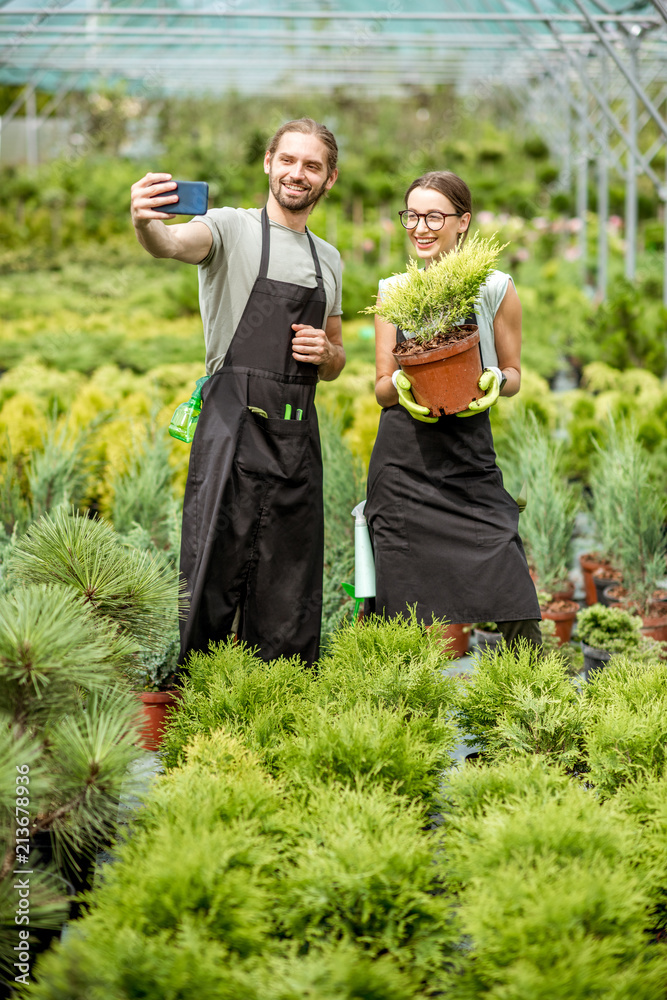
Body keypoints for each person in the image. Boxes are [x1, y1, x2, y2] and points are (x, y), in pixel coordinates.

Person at [130, 117, 345, 667]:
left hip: (296, 439)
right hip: (232, 430)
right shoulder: (229, 227)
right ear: (269, 162)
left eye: (312, 166)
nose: (299, 173)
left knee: (289, 587)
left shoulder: (330, 260)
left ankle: (279, 701)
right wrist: (146, 221)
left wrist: (327, 355)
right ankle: (198, 702)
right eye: (290, 160)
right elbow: (171, 243)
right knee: (212, 573)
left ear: (329, 179)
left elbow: (336, 360)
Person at [365, 170, 541, 647]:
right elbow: (381, 386)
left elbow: (515, 374)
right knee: (400, 605)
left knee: (511, 587)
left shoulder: (495, 287)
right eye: (412, 216)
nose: (420, 227)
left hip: (468, 462)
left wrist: (496, 380)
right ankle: (397, 711)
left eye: (434, 216)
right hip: (404, 463)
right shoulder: (394, 290)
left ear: (462, 222)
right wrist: (400, 384)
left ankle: (531, 704)